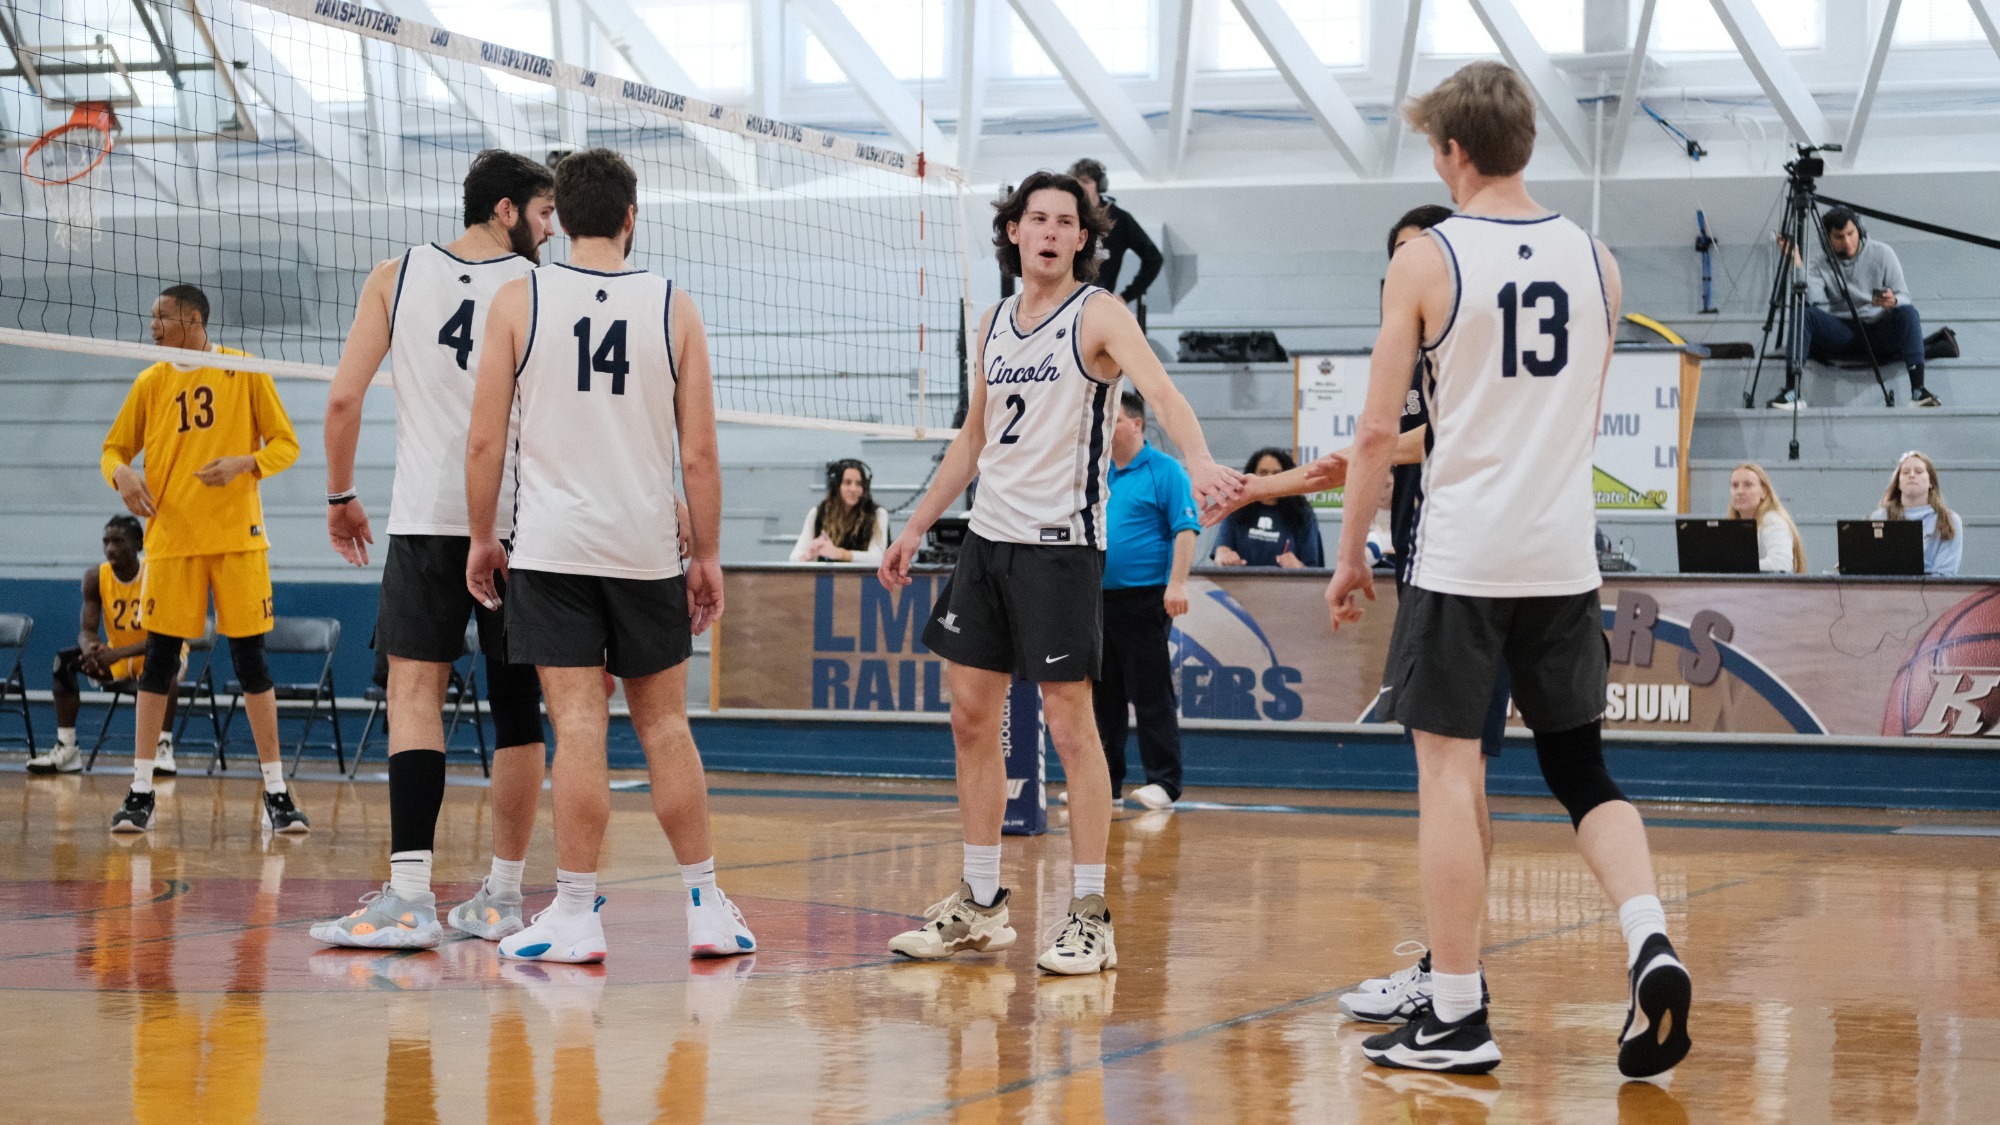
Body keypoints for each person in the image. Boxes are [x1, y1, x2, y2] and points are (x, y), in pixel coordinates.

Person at [1326, 62, 1691, 1077]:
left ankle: (1452, 1011)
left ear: (1452, 150)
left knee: (1449, 772)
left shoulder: (1426, 258)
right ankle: (1649, 937)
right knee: (1582, 770)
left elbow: (1374, 432)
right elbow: (1582, 413)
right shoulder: (1599, 262)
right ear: (1525, 141)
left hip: (1464, 555)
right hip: (1563, 557)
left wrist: (1349, 553)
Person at [878, 169, 1240, 976]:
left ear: (1083, 237)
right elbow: (973, 439)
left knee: (1072, 727)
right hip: (988, 543)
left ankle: (1089, 915)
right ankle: (980, 903)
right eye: (1036, 218)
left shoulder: (1098, 313)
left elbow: (1162, 391)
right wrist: (917, 523)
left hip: (1061, 546)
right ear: (1013, 231)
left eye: (1064, 220)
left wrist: (1200, 456)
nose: (1049, 230)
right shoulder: (992, 321)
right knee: (969, 717)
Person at [1208, 204, 1515, 1026]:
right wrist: (1258, 488)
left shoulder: (1467, 368)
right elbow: (1350, 463)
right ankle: (1453, 965)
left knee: (1457, 776)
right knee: (1462, 774)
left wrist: (1291, 510)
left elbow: (1366, 452)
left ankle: (1454, 973)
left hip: (1462, 576)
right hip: (1439, 575)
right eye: (1398, 257)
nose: (1408, 270)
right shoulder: (1413, 364)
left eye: (1422, 253)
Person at [465, 147, 755, 963]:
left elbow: (485, 440)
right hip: (645, 548)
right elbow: (700, 454)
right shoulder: (674, 305)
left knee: (578, 725)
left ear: (559, 218)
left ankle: (574, 914)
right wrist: (708, 553)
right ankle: (705, 905)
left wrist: (483, 536)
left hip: (554, 549)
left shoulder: (518, 297)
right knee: (665, 724)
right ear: (632, 217)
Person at [310, 150, 560, 951]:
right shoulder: (541, 292)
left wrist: (340, 494)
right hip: (521, 523)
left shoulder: (396, 275)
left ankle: (411, 898)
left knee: (415, 692)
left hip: (426, 518)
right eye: (544, 214)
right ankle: (504, 897)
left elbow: (343, 398)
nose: (552, 231)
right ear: (505, 209)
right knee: (517, 706)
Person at [101, 284, 310, 834]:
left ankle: (277, 793)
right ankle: (140, 790)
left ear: (194, 320)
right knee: (158, 664)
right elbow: (113, 449)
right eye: (152, 317)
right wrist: (122, 474)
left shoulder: (244, 369)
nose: (153, 326)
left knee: (251, 664)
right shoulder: (151, 381)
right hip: (172, 541)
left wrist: (246, 462)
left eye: (162, 317)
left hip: (238, 540)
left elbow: (286, 444)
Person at [1093, 391, 1200, 811]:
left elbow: (1185, 528)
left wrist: (1177, 584)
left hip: (1144, 598)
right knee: (1104, 698)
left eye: (1115, 419)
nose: (1107, 426)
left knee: (1151, 692)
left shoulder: (1165, 471)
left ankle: (1164, 783)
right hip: (1097, 600)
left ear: (1137, 424)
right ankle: (1105, 784)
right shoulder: (1097, 472)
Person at [29, 515, 180, 775]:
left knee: (165, 665)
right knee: (64, 663)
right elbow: (87, 631)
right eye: (106, 541)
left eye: (118, 541)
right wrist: (91, 649)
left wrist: (116, 653)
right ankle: (67, 749)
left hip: (154, 652)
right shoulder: (95, 577)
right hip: (117, 657)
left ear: (138, 544)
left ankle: (162, 747)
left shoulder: (156, 574)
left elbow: (165, 637)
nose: (110, 548)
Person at [1770, 207, 1942, 409]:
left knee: (1908, 313)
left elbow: (1904, 296)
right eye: (1839, 237)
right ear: (1827, 238)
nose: (1847, 241)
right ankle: (1792, 391)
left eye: (1851, 233)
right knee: (1803, 314)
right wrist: (1797, 263)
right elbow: (1813, 299)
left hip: (1877, 328)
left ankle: (1918, 391)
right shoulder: (1820, 262)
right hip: (1841, 332)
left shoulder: (1882, 253)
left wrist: (1893, 301)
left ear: (1860, 230)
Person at [1070, 159, 1163, 309]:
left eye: (1085, 181)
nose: (1080, 187)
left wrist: (1126, 296)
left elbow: (1153, 258)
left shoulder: (1120, 219)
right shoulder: (1066, 215)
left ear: (1100, 185)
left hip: (1099, 306)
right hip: (1064, 302)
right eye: (1076, 182)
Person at [1212, 448, 1324, 568]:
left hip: (1286, 581)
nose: (1269, 479)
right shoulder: (1236, 509)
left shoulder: (1303, 515)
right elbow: (1220, 553)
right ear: (1252, 476)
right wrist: (1225, 557)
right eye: (1263, 473)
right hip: (1243, 580)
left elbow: (1314, 569)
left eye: (1276, 473)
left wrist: (1298, 567)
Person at [1871, 451, 1963, 577]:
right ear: (1898, 483)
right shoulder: (1880, 518)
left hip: (1931, 589)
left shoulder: (1950, 521)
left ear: (1931, 482)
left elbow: (1945, 574)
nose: (1911, 475)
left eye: (1919, 472)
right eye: (1905, 472)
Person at [789, 459, 888, 564]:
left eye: (859, 484)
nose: (853, 489)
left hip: (863, 575)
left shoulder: (877, 514)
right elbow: (794, 558)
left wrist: (839, 553)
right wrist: (808, 555)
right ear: (836, 486)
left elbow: (878, 558)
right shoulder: (817, 513)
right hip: (827, 575)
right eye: (847, 483)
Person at [1727, 462, 1807, 574]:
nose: (1739, 491)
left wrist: (1734, 566)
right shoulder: (1732, 526)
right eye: (1735, 486)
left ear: (1764, 492)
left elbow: (1781, 564)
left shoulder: (1772, 522)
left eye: (1748, 485)